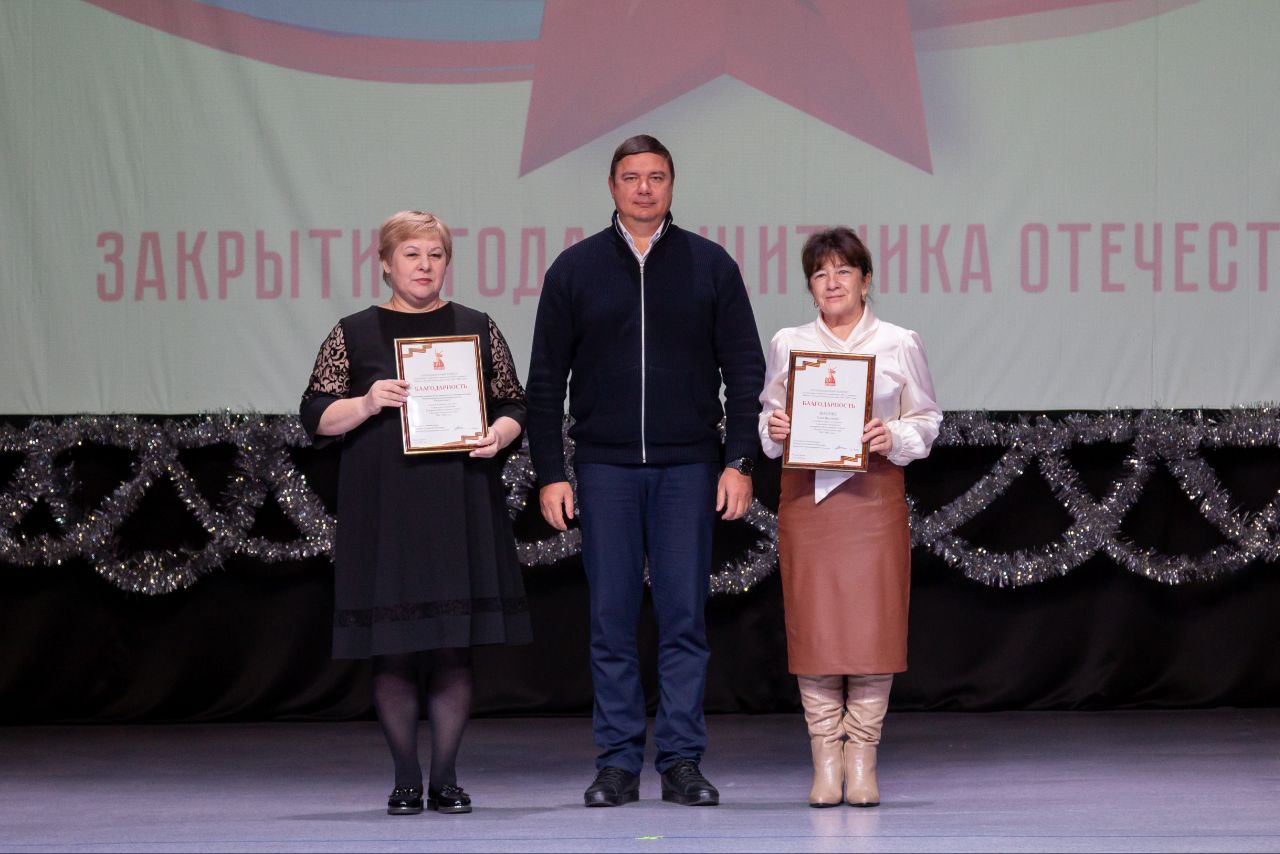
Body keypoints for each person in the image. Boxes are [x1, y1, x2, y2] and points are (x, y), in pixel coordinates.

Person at [526, 135, 765, 807]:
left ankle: (682, 761)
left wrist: (739, 460)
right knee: (611, 620)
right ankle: (617, 764)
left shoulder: (710, 265)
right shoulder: (574, 269)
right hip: (603, 469)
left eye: (656, 177)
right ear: (611, 186)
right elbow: (545, 383)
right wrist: (551, 472)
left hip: (689, 467)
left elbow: (745, 371)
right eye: (631, 177)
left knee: (684, 619)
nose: (643, 188)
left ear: (671, 185)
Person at [299, 210, 531, 816]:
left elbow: (514, 404)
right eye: (411, 254)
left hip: (459, 504)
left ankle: (446, 778)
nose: (424, 266)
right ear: (385, 263)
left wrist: (498, 435)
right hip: (385, 510)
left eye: (434, 254)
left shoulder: (476, 326)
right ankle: (406, 779)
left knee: (454, 648)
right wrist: (366, 402)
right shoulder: (353, 332)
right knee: (394, 648)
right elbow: (315, 415)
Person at [759, 227, 941, 808]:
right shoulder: (789, 343)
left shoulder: (898, 342)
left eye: (843, 271)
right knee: (815, 627)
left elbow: (927, 420)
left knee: (871, 627)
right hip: (807, 502)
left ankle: (861, 758)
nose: (832, 282)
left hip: (873, 498)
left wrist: (893, 435)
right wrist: (775, 427)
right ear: (810, 286)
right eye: (820, 273)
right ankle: (825, 759)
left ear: (866, 281)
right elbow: (767, 423)